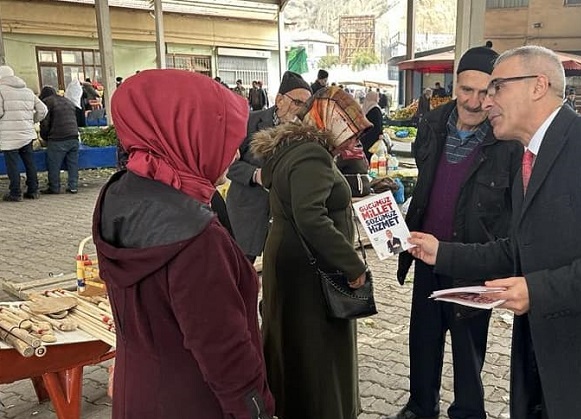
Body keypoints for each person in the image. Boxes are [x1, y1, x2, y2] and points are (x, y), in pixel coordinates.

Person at [407, 45, 581, 419]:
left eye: (496, 88)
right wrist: (442, 252)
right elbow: (518, 249)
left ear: (538, 85)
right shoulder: (527, 158)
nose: (485, 103)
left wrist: (538, 290)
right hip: (547, 360)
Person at [92, 69, 274, 419]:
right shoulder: (196, 235)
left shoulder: (118, 194)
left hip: (138, 392)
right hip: (194, 400)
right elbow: (226, 353)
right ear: (189, 133)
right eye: (221, 136)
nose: (234, 156)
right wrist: (257, 411)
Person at [385, 46, 521, 419]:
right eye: (466, 90)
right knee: (423, 340)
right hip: (426, 255)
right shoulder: (432, 124)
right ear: (454, 86)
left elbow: (513, 212)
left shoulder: (506, 139)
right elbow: (426, 185)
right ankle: (420, 406)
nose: (474, 102)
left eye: (484, 92)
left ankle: (467, 411)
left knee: (468, 349)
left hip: (473, 263)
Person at [251, 86, 373, 419]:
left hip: (296, 263)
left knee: (296, 346)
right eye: (350, 130)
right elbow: (311, 216)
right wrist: (352, 266)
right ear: (331, 121)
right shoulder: (311, 155)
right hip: (310, 269)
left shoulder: (298, 149)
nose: (353, 141)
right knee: (315, 352)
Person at [226, 71, 312, 265]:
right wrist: (255, 175)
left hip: (284, 214)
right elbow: (226, 162)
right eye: (297, 103)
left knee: (280, 270)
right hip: (248, 209)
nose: (301, 110)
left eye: (306, 106)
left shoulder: (305, 131)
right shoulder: (250, 122)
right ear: (280, 99)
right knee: (241, 267)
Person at [0, 65, 48, 202]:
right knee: (29, 162)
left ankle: (15, 193)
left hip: (9, 135)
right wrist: (31, 120)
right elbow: (43, 110)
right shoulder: (27, 91)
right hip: (27, 134)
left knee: (12, 165)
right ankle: (33, 190)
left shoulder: (1, 91)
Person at [39, 86, 80, 194]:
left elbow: (44, 123)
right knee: (73, 164)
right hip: (74, 136)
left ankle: (54, 187)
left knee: (54, 164)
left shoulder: (47, 102)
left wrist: (45, 137)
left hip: (58, 138)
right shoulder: (67, 101)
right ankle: (73, 186)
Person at [361, 90, 384, 160]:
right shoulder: (376, 109)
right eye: (378, 97)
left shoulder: (365, 107)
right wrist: (381, 133)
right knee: (373, 157)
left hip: (365, 136)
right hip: (374, 137)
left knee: (366, 154)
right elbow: (378, 124)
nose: (379, 99)